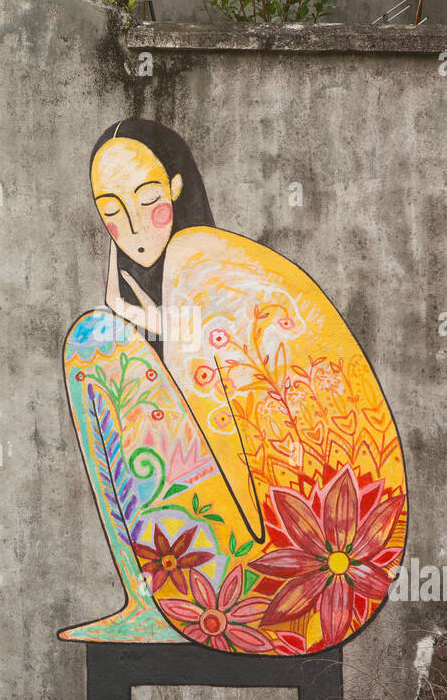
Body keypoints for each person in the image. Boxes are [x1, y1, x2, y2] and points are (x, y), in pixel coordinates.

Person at [61, 119, 407, 655]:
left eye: (147, 196)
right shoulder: (222, 262)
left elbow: (216, 425)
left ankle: (147, 605)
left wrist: (129, 322)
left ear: (177, 187)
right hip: (342, 583)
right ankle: (151, 605)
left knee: (93, 342)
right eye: (110, 210)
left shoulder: (195, 258)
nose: (130, 225)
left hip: (271, 588)